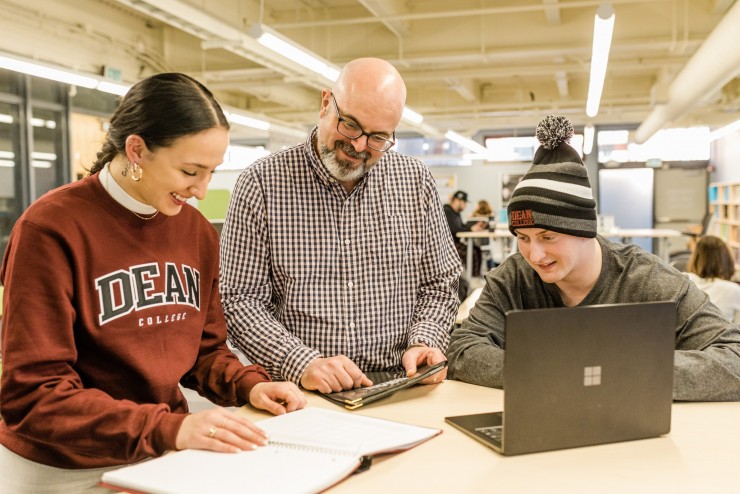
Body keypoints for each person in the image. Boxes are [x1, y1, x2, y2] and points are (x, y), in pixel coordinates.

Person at [0, 73, 306, 494]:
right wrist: (168, 428)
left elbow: (204, 351)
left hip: (162, 452)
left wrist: (249, 385)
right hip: (63, 468)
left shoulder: (196, 233)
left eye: (211, 172)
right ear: (137, 150)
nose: (201, 191)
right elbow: (34, 394)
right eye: (190, 171)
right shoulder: (50, 229)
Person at [446, 114, 740, 402]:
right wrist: (559, 372)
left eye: (548, 237)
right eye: (523, 238)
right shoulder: (513, 279)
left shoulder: (649, 280)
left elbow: (734, 359)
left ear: (585, 231)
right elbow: (462, 350)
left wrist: (624, 374)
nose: (534, 255)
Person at [220, 58, 461, 394]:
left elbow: (440, 282)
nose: (360, 146)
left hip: (400, 382)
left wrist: (425, 341)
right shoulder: (262, 183)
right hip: (301, 388)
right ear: (325, 104)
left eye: (378, 137)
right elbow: (239, 300)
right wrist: (302, 363)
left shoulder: (414, 181)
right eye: (350, 125)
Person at [685, 235, 740, 323]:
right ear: (726, 259)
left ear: (695, 258)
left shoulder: (684, 281)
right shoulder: (733, 290)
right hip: (720, 336)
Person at [444, 190, 488, 279]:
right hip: (447, 246)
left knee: (477, 250)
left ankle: (475, 277)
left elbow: (461, 226)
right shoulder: (447, 211)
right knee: (473, 252)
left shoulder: (456, 213)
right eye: (464, 202)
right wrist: (471, 229)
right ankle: (472, 280)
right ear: (457, 200)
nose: (465, 205)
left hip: (455, 243)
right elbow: (455, 230)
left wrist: (473, 227)